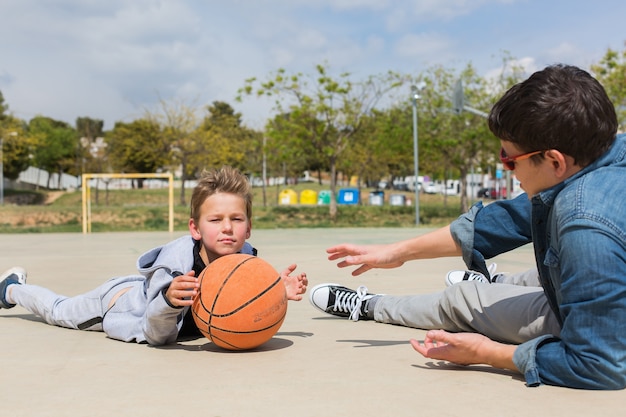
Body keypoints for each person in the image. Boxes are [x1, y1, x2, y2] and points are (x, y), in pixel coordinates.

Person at [309, 64, 626, 390]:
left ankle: (370, 306)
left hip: (606, 330)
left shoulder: (584, 226)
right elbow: (511, 218)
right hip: (603, 286)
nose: (507, 169)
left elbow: (598, 364)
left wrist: (488, 352)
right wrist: (398, 252)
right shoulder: (605, 154)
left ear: (556, 161)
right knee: (542, 270)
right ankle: (499, 279)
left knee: (463, 299)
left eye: (509, 159)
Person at [0, 166, 308, 346]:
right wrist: (169, 301)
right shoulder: (175, 266)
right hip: (118, 303)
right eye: (215, 220)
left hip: (138, 294)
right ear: (195, 229)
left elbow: (241, 304)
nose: (227, 228)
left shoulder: (246, 261)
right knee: (57, 310)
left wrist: (273, 291)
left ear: (249, 227)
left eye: (236, 219)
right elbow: (155, 334)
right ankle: (11, 288)